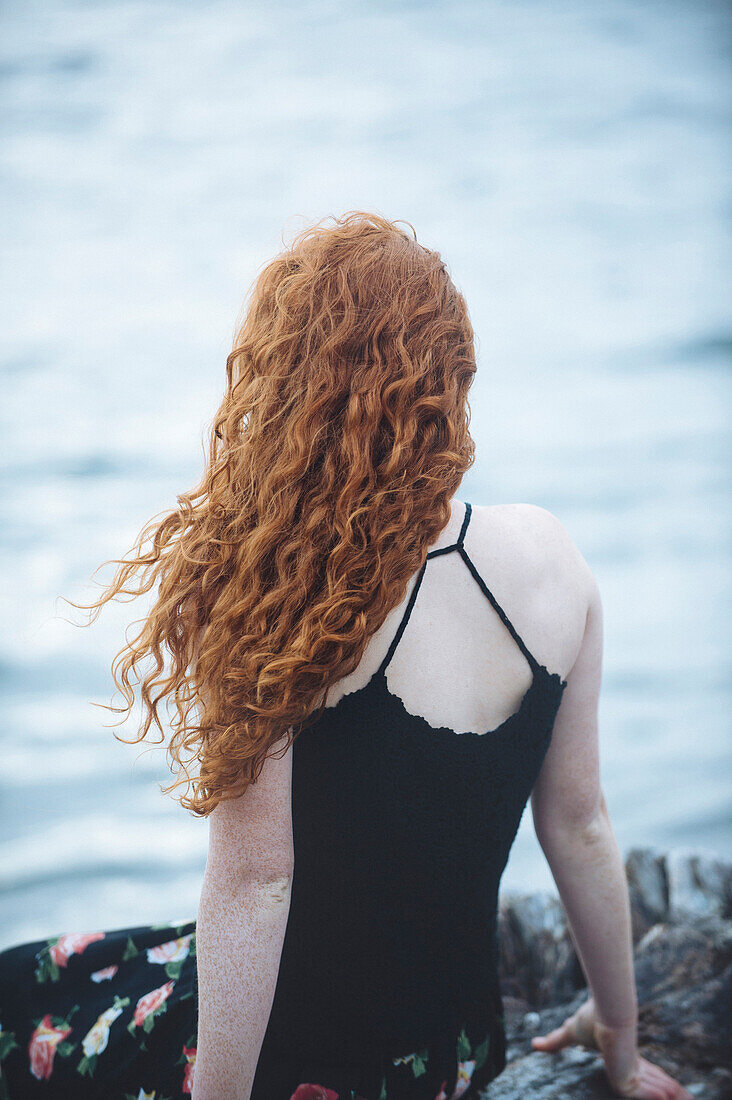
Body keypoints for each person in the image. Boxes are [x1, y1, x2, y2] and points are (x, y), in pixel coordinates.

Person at [0, 212, 692, 1100]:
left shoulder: (282, 597)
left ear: (294, 385)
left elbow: (255, 887)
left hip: (295, 1070)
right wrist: (619, 1037)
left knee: (22, 1002)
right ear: (452, 381)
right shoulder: (552, 562)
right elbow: (581, 822)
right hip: (450, 1057)